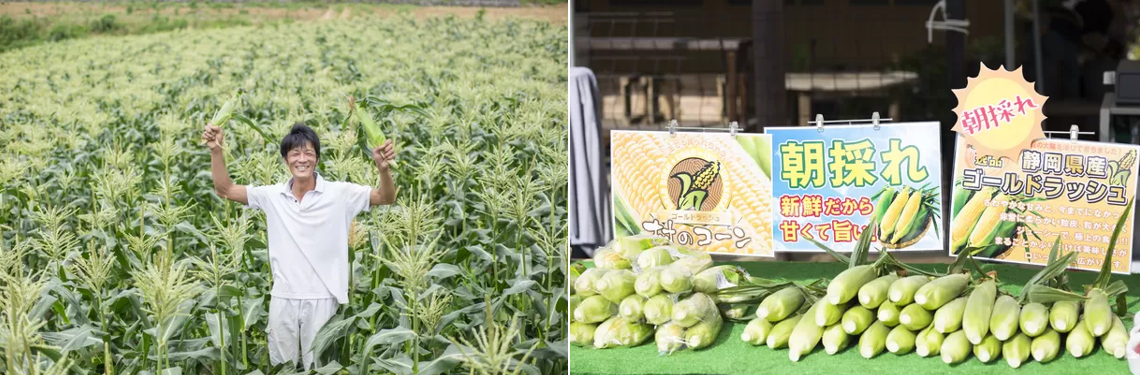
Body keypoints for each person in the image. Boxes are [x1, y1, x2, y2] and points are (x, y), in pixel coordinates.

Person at [202, 122, 396, 370]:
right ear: (285, 160)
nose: (302, 159)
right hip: (283, 298)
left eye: (309, 153)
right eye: (295, 153)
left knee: (319, 367)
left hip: (324, 299)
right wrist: (216, 150)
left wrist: (383, 168)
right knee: (283, 368)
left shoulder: (341, 194)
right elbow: (225, 189)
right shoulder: (272, 195)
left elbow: (386, 197)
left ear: (316, 159)